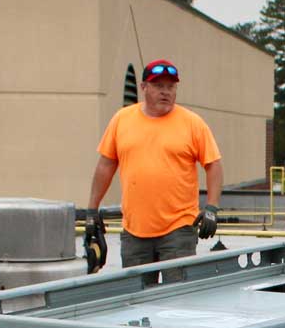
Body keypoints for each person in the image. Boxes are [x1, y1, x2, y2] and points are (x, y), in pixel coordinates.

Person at [85, 59, 223, 273]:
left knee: (175, 298)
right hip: (135, 231)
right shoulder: (122, 120)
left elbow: (213, 164)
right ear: (143, 88)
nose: (165, 92)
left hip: (178, 229)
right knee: (138, 301)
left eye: (171, 87)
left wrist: (212, 209)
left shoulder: (192, 123)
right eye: (159, 86)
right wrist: (92, 210)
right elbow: (106, 165)